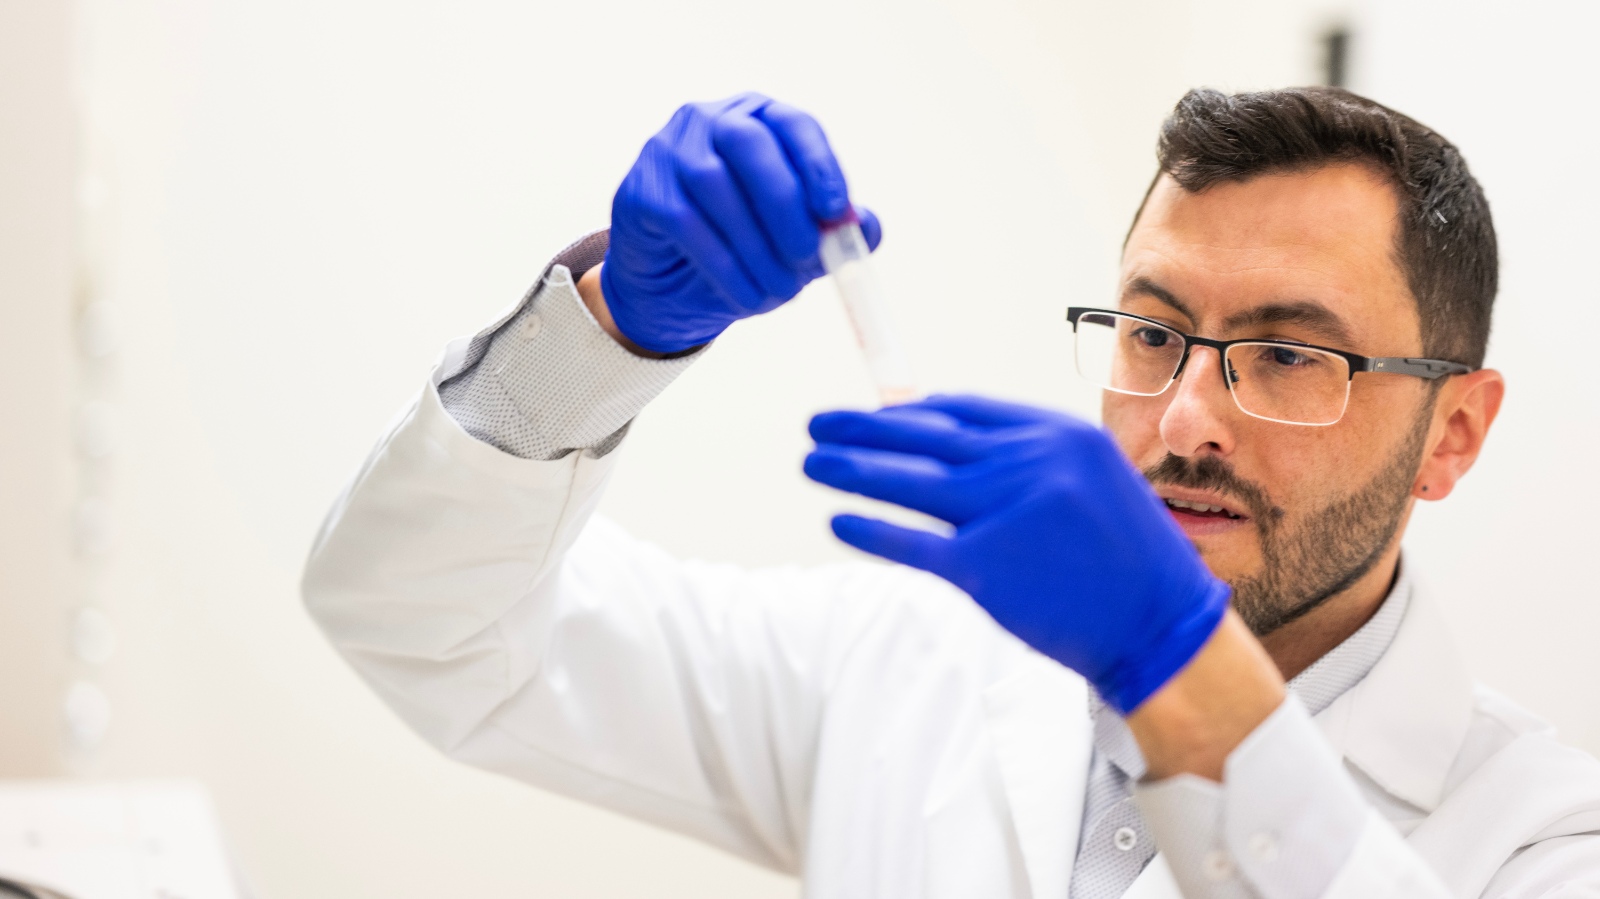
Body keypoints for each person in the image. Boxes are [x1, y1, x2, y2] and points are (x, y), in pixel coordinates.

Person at [301, 88, 1600, 897]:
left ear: (1456, 433)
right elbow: (416, 622)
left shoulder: (1544, 843)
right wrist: (607, 336)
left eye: (1285, 356)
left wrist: (1176, 663)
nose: (1188, 419)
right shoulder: (907, 672)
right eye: (1153, 335)